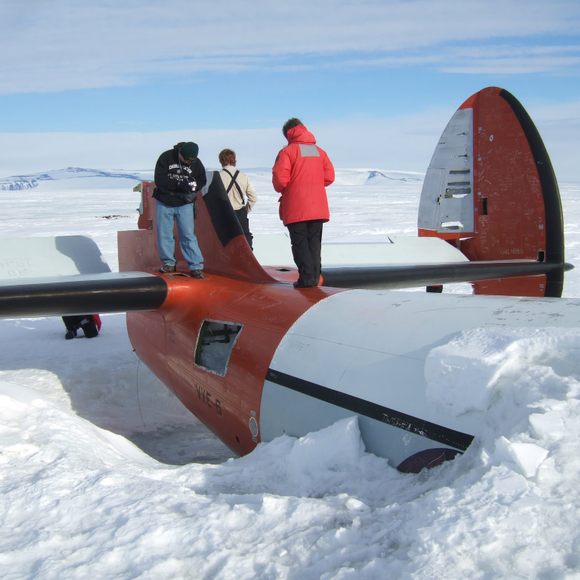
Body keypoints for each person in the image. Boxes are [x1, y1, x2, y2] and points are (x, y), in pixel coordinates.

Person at [272, 118, 335, 288]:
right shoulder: (320, 152)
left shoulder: (287, 152)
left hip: (296, 206)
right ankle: (315, 277)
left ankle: (306, 279)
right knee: (314, 243)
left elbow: (280, 181)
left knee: (300, 244)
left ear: (288, 134)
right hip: (318, 206)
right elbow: (329, 177)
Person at [153, 141, 206, 278]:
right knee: (164, 234)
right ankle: (168, 263)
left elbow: (202, 180)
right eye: (187, 159)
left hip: (185, 203)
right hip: (165, 201)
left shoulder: (196, 163)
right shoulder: (166, 157)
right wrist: (178, 184)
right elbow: (159, 180)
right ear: (180, 153)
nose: (189, 162)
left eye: (191, 160)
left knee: (188, 234)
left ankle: (196, 265)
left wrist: (194, 187)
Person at [218, 148, 257, 249]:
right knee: (245, 240)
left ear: (221, 160)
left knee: (225, 242)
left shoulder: (217, 177)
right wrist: (246, 209)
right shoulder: (243, 176)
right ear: (234, 160)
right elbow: (253, 197)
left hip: (224, 214)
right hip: (240, 213)